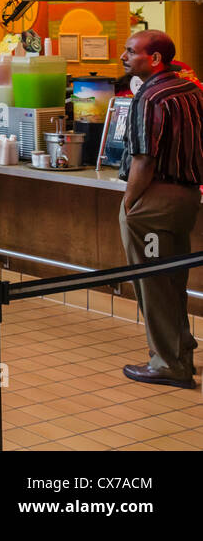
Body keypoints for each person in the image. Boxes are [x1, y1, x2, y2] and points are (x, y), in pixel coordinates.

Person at [117, 30, 203, 389]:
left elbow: (144, 161)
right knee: (173, 277)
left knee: (152, 281)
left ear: (154, 59)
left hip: (153, 201)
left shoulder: (149, 97)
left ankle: (168, 364)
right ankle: (181, 350)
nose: (124, 56)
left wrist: (129, 204)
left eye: (131, 51)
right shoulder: (191, 89)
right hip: (187, 197)